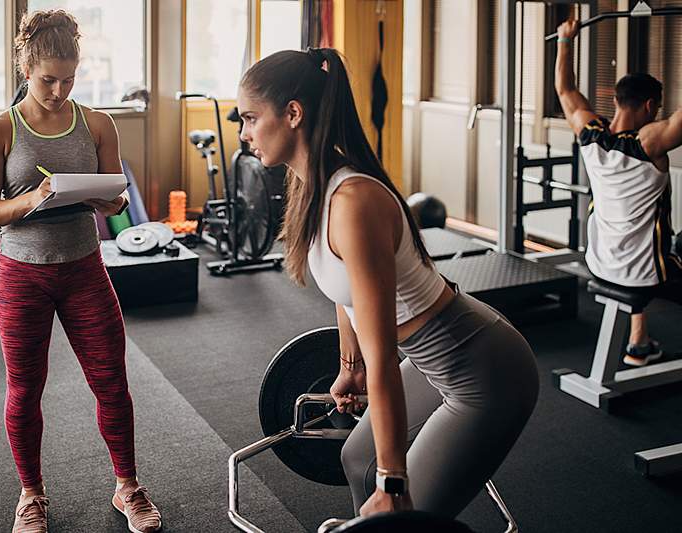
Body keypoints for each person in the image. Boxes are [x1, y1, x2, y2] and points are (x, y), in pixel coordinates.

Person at [237, 48, 539, 519]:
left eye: (251, 118)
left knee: (403, 510)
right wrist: (348, 365)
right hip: (430, 358)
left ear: (292, 113)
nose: (245, 133)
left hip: (485, 371)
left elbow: (383, 358)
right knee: (358, 460)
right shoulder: (313, 187)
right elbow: (346, 293)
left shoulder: (354, 201)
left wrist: (394, 482)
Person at [0, 10, 161, 533]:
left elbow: (116, 195)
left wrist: (107, 199)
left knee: (112, 384)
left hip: (84, 271)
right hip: (21, 275)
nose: (58, 90)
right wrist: (33, 198)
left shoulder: (98, 123)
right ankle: (31, 494)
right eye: (47, 79)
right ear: (25, 68)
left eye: (69, 79)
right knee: (24, 389)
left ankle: (128, 487)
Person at [554, 17, 682, 367]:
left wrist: (566, 41)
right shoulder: (649, 143)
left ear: (615, 99)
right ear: (651, 106)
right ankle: (640, 340)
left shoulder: (590, 134)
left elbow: (565, 91)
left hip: (600, 264)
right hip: (647, 273)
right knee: (675, 247)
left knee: (643, 242)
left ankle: (639, 343)